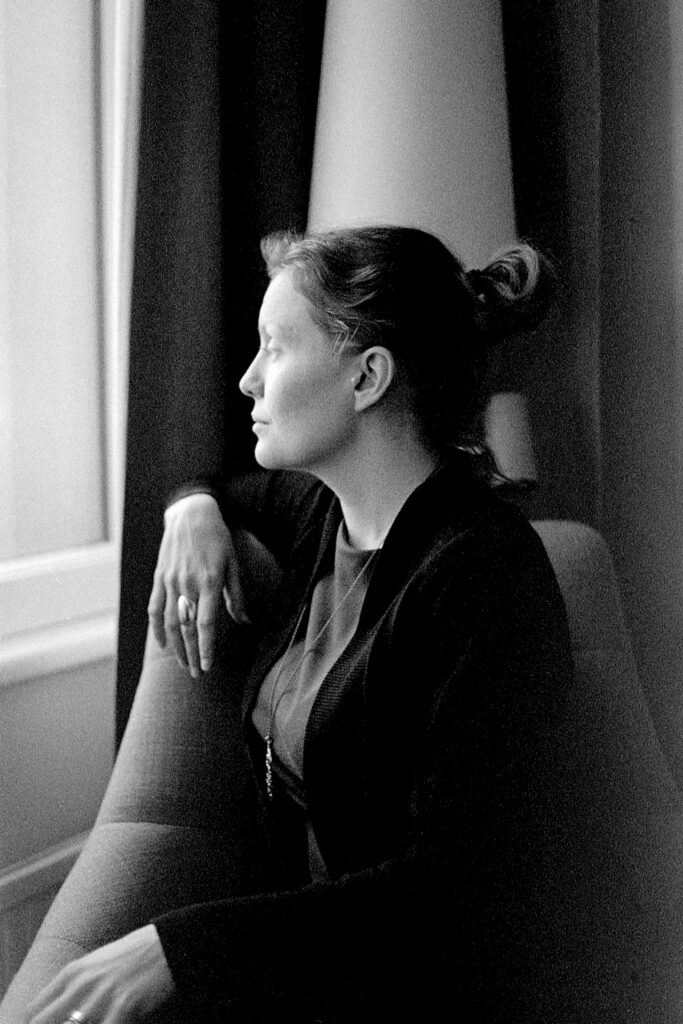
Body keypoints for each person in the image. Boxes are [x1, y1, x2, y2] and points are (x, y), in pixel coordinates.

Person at [26, 225, 575, 1023]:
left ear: (367, 376)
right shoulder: (324, 511)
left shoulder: (486, 578)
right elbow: (217, 482)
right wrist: (192, 511)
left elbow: (457, 892)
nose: (247, 381)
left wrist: (178, 948)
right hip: (297, 960)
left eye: (275, 349)